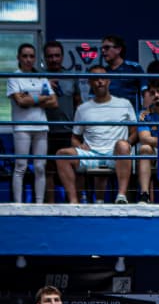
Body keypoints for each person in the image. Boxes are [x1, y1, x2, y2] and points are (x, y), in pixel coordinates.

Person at [55, 66, 136, 204]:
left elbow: (135, 132)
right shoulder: (82, 108)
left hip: (115, 154)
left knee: (123, 145)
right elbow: (75, 137)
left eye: (103, 78)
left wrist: (126, 144)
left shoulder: (124, 103)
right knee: (61, 155)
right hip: (91, 154)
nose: (99, 81)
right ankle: (74, 202)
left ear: (109, 80)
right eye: (95, 79)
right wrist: (79, 145)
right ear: (89, 82)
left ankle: (121, 196)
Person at [8, 43, 56, 204]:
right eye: (25, 56)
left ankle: (39, 204)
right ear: (18, 58)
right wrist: (42, 98)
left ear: (35, 58)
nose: (28, 59)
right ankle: (18, 205)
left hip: (41, 126)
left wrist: (30, 98)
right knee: (20, 166)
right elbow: (20, 102)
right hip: (22, 127)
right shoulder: (14, 77)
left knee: (40, 166)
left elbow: (54, 102)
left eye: (31, 56)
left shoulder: (41, 77)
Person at [43, 40, 81, 203]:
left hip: (68, 131)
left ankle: (72, 205)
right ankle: (49, 207)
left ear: (62, 56)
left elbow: (78, 103)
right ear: (45, 58)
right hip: (45, 132)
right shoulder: (38, 77)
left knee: (71, 169)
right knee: (48, 170)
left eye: (57, 56)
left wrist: (79, 130)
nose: (54, 59)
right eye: (50, 56)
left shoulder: (71, 77)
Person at [100, 34, 144, 109]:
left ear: (118, 49)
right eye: (102, 48)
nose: (103, 51)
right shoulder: (103, 72)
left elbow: (146, 92)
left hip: (129, 113)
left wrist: (144, 112)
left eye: (106, 47)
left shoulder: (134, 68)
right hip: (108, 113)